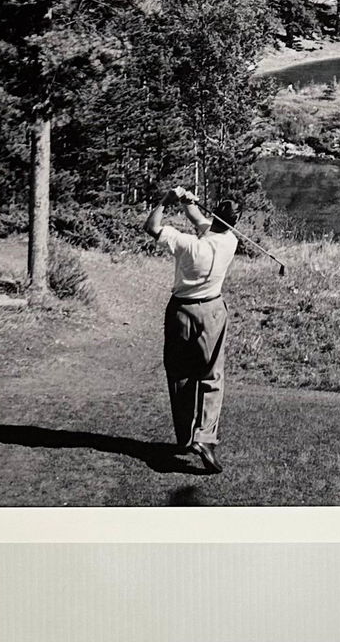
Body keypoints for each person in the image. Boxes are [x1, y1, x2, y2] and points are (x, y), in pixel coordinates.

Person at [142, 185, 239, 474]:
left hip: (181, 312)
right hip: (212, 310)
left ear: (216, 216)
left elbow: (151, 227)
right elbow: (201, 221)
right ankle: (205, 438)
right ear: (233, 222)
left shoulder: (186, 244)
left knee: (180, 375)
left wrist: (167, 200)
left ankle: (186, 438)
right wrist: (187, 202)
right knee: (212, 375)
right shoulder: (230, 240)